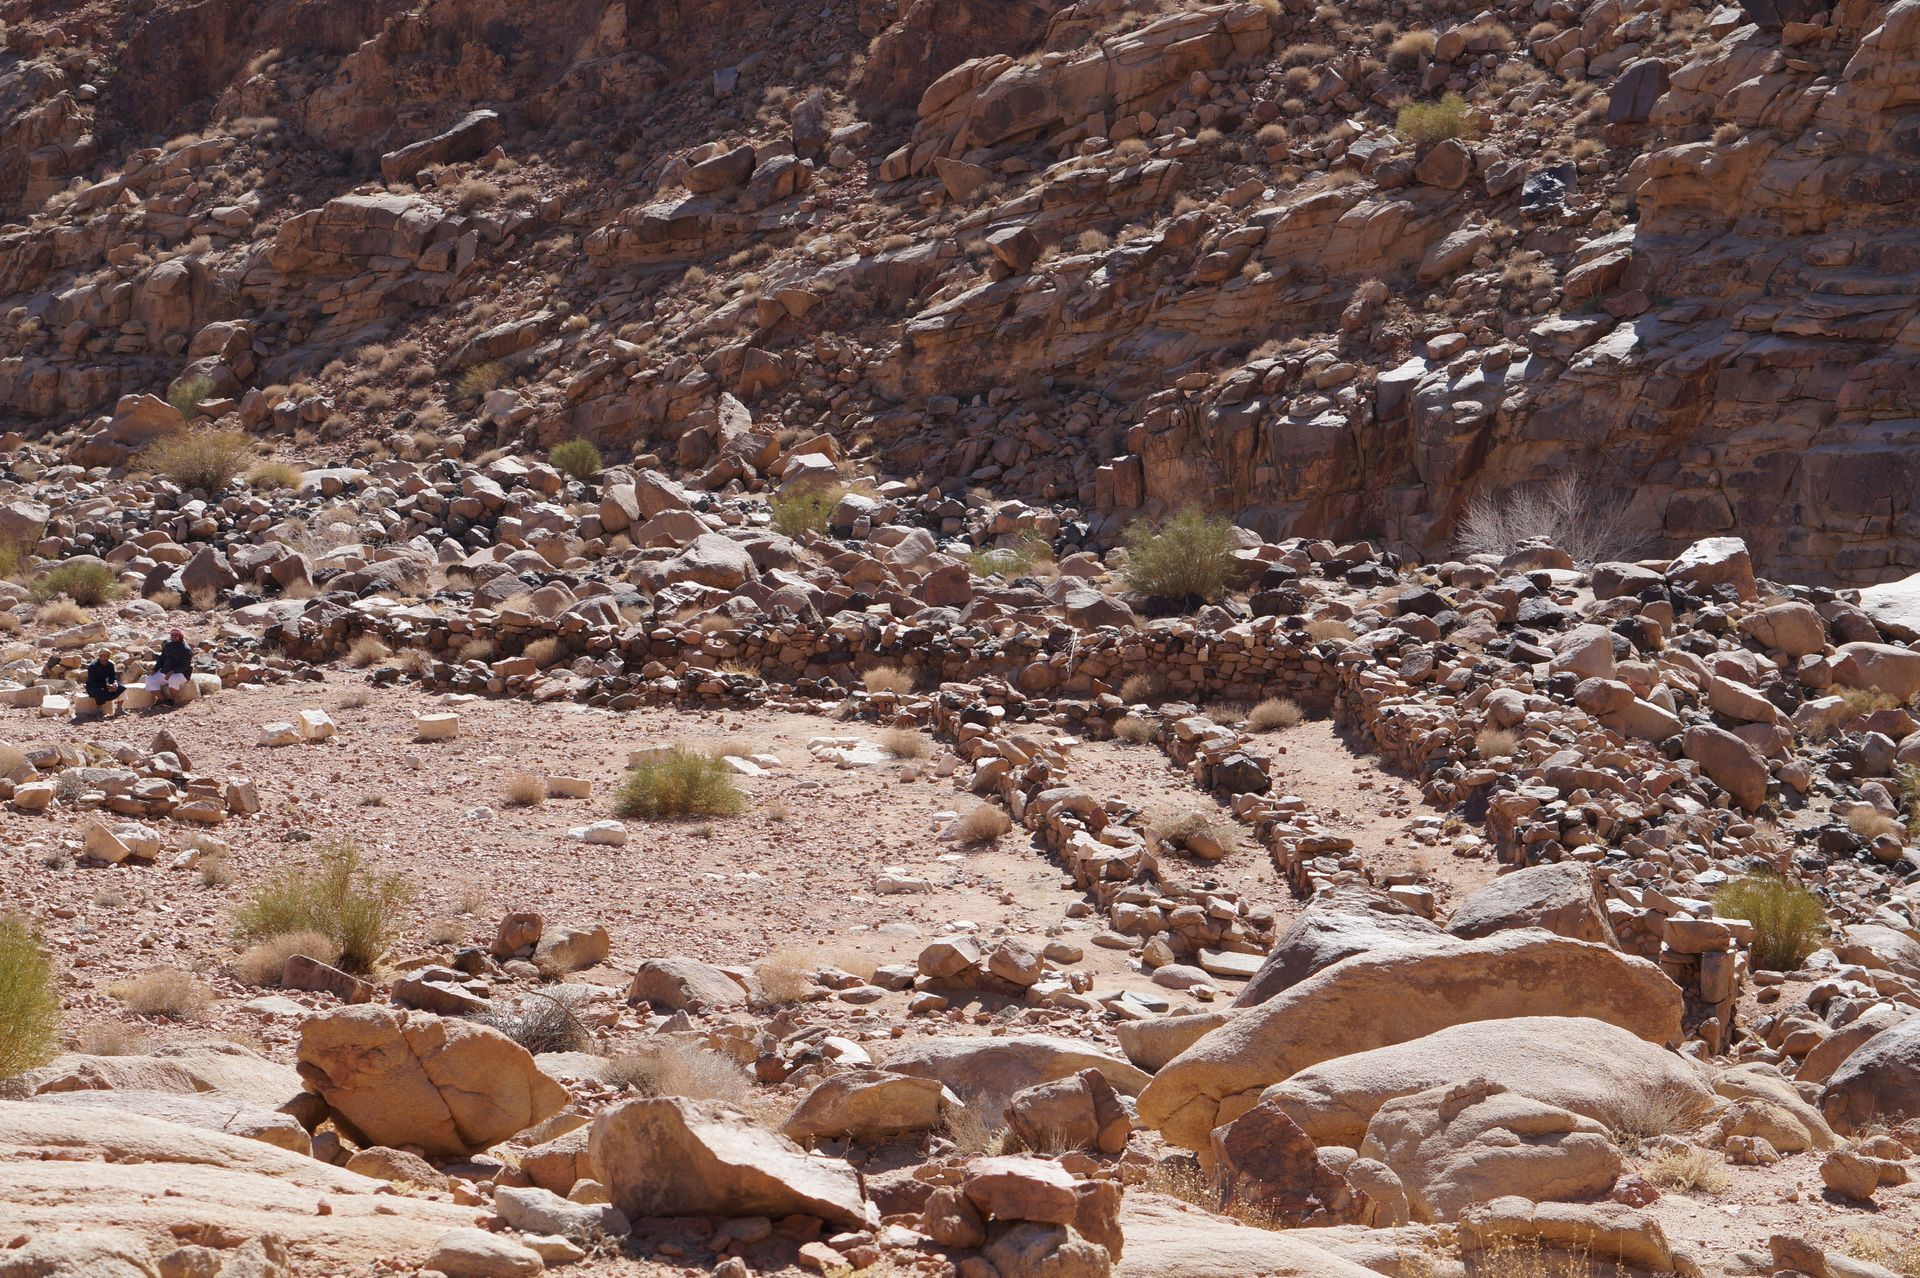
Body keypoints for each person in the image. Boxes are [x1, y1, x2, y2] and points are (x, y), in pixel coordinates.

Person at [145, 628, 193, 699]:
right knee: (150, 679)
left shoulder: (186, 649)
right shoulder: (168, 646)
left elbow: (184, 666)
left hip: (181, 673)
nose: (173, 637)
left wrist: (172, 672)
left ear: (180, 636)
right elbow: (161, 659)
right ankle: (162, 700)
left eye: (175, 635)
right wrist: (155, 670)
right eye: (172, 635)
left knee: (173, 679)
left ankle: (172, 700)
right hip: (166, 672)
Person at [84, 652, 124, 716]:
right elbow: (92, 682)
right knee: (100, 691)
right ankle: (99, 712)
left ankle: (119, 709)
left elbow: (113, 677)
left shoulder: (110, 665)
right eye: (104, 656)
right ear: (100, 656)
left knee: (122, 687)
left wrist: (115, 683)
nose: (105, 657)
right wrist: (107, 686)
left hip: (105, 685)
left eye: (107, 656)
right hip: (92, 687)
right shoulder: (93, 666)